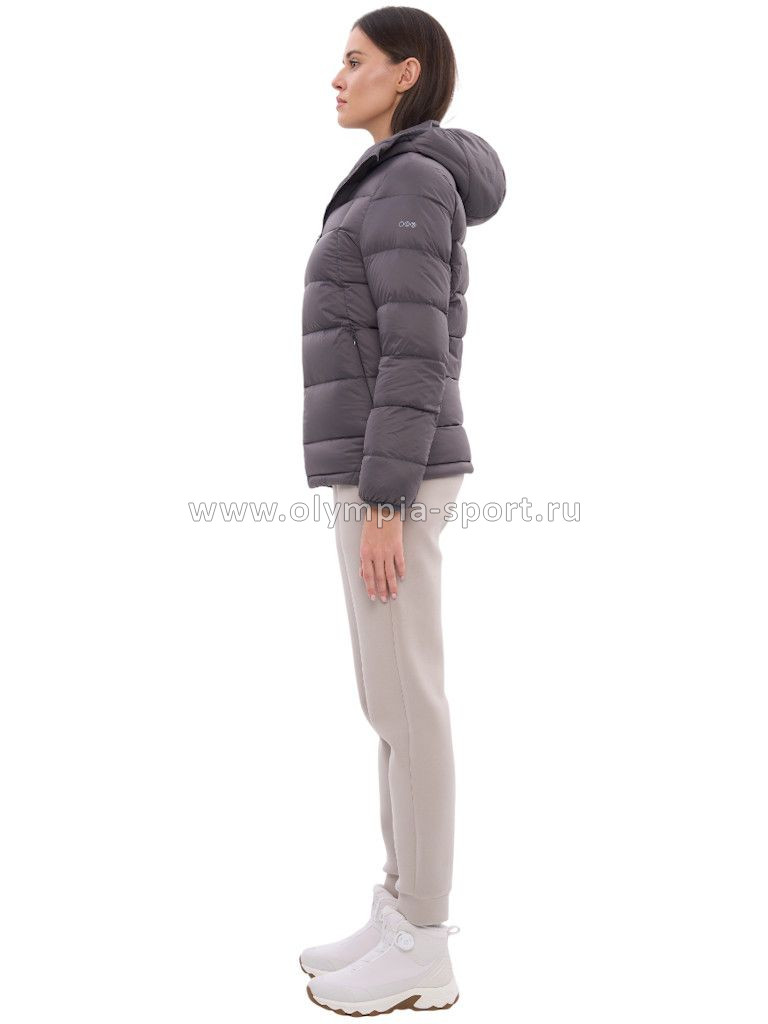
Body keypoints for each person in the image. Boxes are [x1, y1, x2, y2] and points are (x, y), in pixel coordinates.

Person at [299, 7, 506, 1014]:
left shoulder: (413, 181)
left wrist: (385, 498)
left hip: (396, 476)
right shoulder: (390, 181)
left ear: (406, 72)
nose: (336, 78)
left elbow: (419, 352)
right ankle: (399, 907)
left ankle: (423, 938)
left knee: (407, 703)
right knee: (390, 700)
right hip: (380, 468)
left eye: (355, 61)